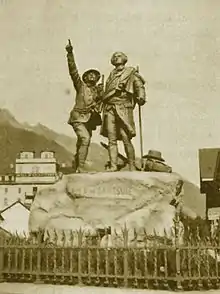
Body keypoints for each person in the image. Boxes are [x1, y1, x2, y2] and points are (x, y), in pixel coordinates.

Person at [100, 52, 146, 171]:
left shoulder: (130, 72)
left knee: (126, 138)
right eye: (114, 56)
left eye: (119, 55)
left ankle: (131, 165)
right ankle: (113, 165)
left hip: (124, 107)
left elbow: (139, 85)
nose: (116, 57)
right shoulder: (111, 75)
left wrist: (141, 96)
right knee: (111, 139)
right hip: (110, 108)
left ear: (124, 59)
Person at [65, 40, 103, 173]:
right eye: (89, 74)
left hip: (89, 120)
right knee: (85, 139)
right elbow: (73, 71)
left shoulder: (98, 91)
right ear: (85, 77)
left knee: (81, 143)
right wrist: (70, 53)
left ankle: (76, 165)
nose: (92, 76)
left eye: (95, 75)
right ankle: (80, 167)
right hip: (78, 117)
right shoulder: (80, 86)